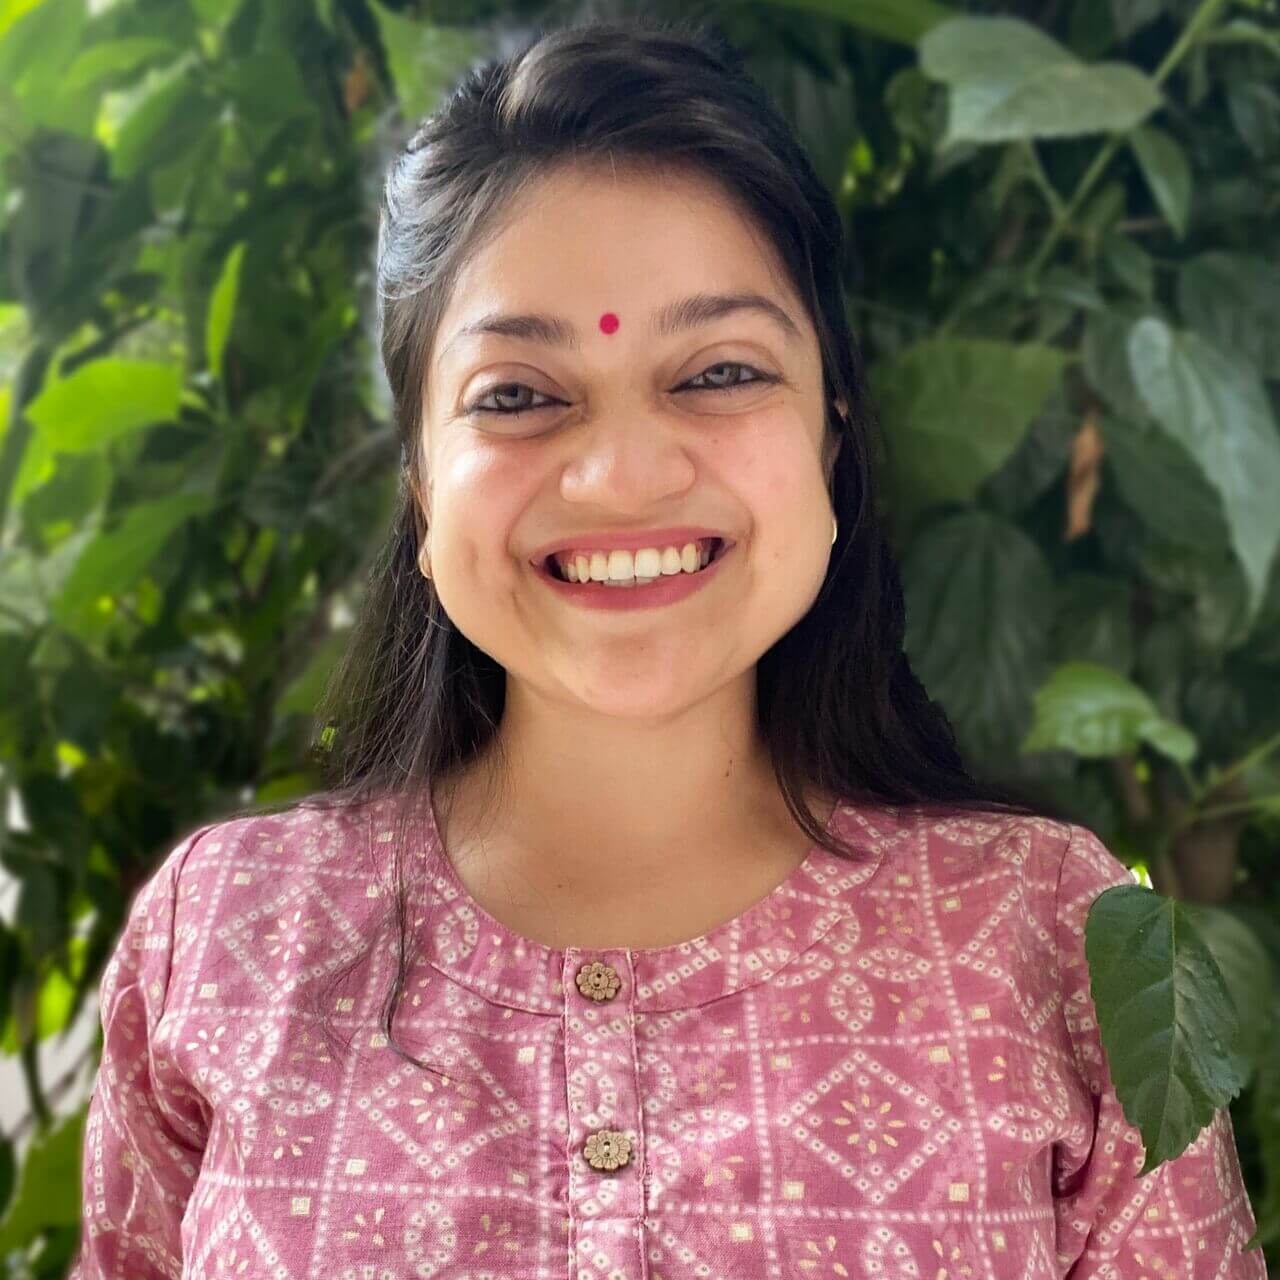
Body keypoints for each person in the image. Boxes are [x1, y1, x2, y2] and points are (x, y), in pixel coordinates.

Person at [69, 14, 1266, 1280]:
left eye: (718, 372)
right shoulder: (228, 933)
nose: (623, 473)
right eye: (516, 394)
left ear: (831, 439)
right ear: (420, 485)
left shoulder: (1053, 934)